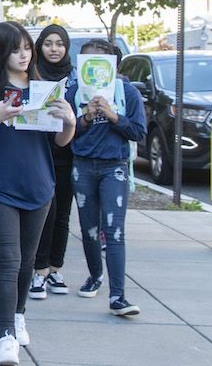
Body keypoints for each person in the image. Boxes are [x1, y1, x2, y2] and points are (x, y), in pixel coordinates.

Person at [0, 21, 76, 366]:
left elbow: (59, 141)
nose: (24, 55)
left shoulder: (45, 88)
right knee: (7, 262)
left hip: (39, 187)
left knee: (28, 261)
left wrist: (69, 121)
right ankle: (6, 335)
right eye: (16, 49)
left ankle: (20, 313)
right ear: (0, 51)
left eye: (27, 47)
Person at [67, 38, 147, 316]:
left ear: (112, 63)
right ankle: (95, 275)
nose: (95, 68)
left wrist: (113, 116)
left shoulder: (127, 92)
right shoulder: (75, 92)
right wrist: (86, 116)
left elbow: (138, 133)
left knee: (114, 231)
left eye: (101, 61)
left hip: (114, 166)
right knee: (88, 229)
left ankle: (118, 296)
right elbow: (64, 135)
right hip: (83, 166)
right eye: (87, 61)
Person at [28, 26, 75, 300]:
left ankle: (56, 268)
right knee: (46, 214)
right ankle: (39, 269)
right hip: (37, 153)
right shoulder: (31, 75)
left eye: (59, 44)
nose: (54, 49)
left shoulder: (76, 79)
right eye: (48, 44)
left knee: (63, 216)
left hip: (67, 155)